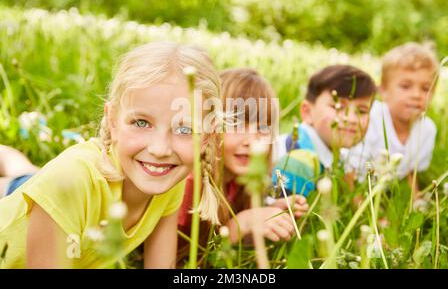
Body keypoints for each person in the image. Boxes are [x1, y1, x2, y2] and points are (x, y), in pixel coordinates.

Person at [0, 42, 221, 268]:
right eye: (141, 122)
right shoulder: (69, 181)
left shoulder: (168, 178)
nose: (160, 149)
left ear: (206, 137)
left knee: (27, 181)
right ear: (113, 120)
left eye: (184, 129)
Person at [177, 68, 309, 265]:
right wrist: (243, 222)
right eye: (236, 124)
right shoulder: (187, 185)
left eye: (263, 128)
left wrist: (269, 212)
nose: (252, 141)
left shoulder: (239, 183)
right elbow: (186, 257)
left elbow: (230, 247)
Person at [345, 42, 439, 197]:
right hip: (357, 186)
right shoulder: (370, 118)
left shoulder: (427, 129)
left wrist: (416, 201)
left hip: (382, 189)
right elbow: (348, 172)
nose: (416, 95)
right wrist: (364, 211)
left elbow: (410, 171)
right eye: (405, 86)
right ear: (383, 90)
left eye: (425, 88)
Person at [272, 65, 377, 196]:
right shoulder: (297, 158)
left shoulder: (342, 160)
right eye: (337, 106)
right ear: (307, 112)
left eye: (361, 111)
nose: (351, 119)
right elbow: (284, 212)